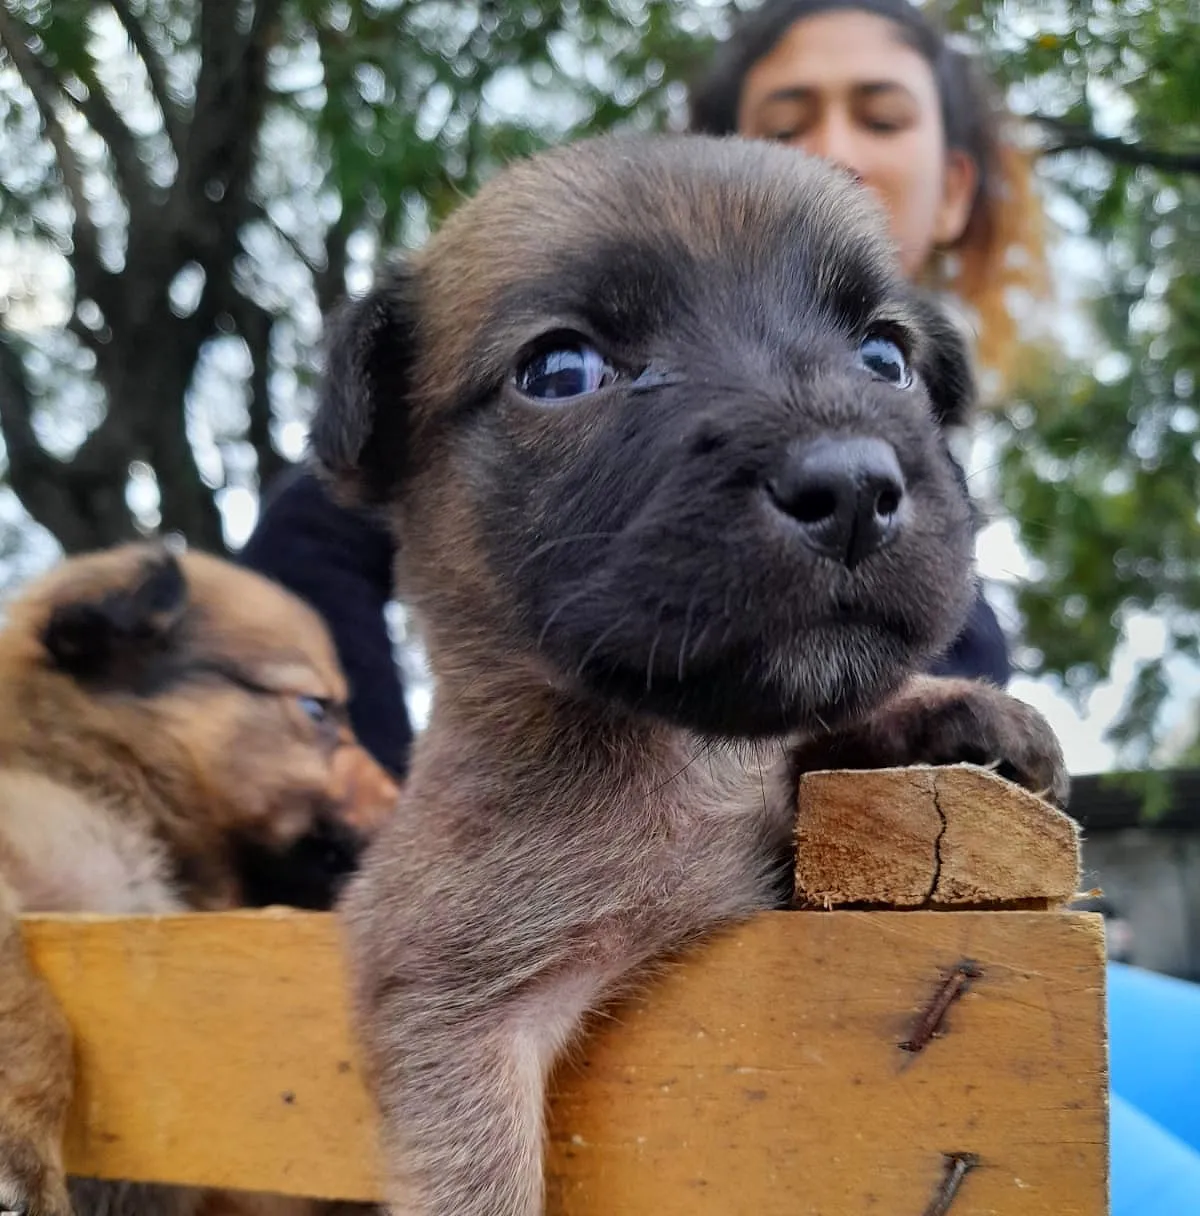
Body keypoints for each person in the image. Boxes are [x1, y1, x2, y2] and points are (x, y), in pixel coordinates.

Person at [240, 0, 1046, 775]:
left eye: (883, 119)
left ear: (955, 188)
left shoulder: (957, 609)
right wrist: (374, 787)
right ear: (713, 149)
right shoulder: (482, 319)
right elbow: (310, 538)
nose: (834, 151)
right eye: (784, 128)